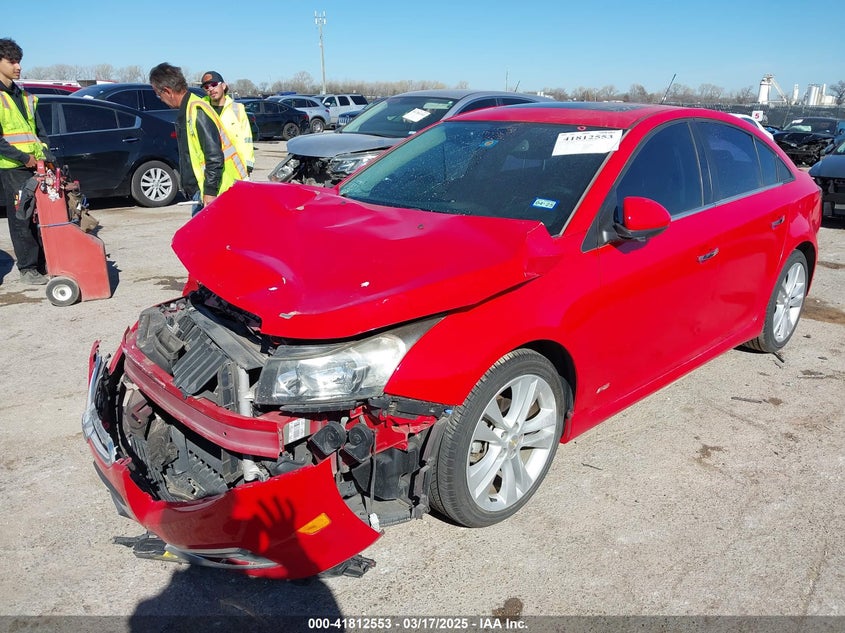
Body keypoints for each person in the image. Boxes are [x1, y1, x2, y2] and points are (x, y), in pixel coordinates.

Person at [148, 62, 247, 215]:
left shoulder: (197, 110)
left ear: (168, 91)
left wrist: (210, 191)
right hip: (203, 191)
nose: (160, 99)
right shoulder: (189, 109)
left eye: (158, 94)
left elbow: (214, 157)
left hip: (214, 192)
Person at [0, 38, 49, 285]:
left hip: (34, 166)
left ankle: (40, 262)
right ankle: (28, 269)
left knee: (38, 216)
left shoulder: (24, 95)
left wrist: (45, 156)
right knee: (21, 217)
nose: (18, 66)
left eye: (19, 61)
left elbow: (38, 132)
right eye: (12, 61)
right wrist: (24, 158)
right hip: (13, 167)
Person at [200, 71, 254, 177]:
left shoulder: (238, 109)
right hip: (210, 170)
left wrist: (249, 163)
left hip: (236, 168)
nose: (210, 89)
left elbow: (247, 139)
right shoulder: (201, 109)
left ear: (224, 86)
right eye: (206, 87)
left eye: (214, 84)